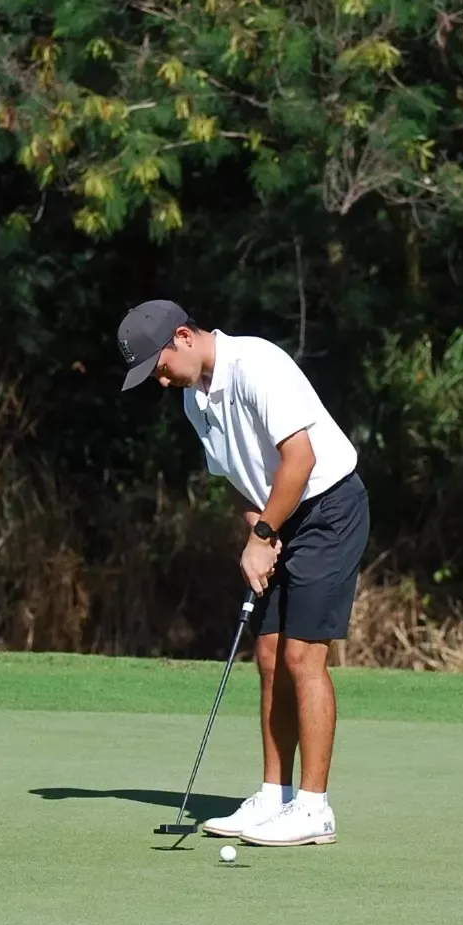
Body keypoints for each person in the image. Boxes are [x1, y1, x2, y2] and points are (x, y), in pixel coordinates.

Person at [117, 299, 369, 846]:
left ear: (183, 337)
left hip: (330, 508)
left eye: (159, 367)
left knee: (304, 655)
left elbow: (299, 460)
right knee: (271, 653)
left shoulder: (257, 364)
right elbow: (239, 477)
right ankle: (274, 796)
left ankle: (314, 807)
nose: (161, 382)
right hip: (282, 516)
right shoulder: (194, 401)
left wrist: (260, 538)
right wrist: (263, 528)